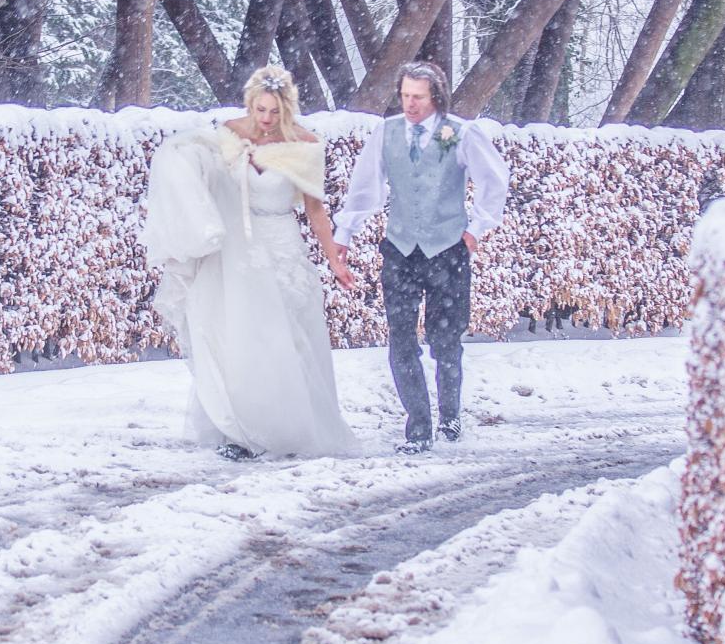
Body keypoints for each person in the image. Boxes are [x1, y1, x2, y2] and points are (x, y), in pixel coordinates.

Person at [142, 65, 359, 459]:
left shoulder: (305, 145)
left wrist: (334, 260)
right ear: (250, 104)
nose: (265, 119)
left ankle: (289, 428)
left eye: (274, 112)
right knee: (240, 334)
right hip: (238, 250)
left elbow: (315, 211)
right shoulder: (229, 134)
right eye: (260, 110)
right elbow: (193, 164)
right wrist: (191, 221)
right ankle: (241, 430)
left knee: (289, 337)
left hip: (282, 245)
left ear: (286, 109)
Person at [332, 60, 507, 453]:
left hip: (447, 250)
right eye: (405, 96)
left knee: (445, 339)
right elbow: (365, 187)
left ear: (436, 97)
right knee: (401, 338)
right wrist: (346, 232)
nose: (410, 104)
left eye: (419, 97)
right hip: (400, 249)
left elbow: (495, 180)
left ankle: (449, 416)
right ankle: (418, 427)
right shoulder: (387, 132)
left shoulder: (454, 133)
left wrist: (475, 228)